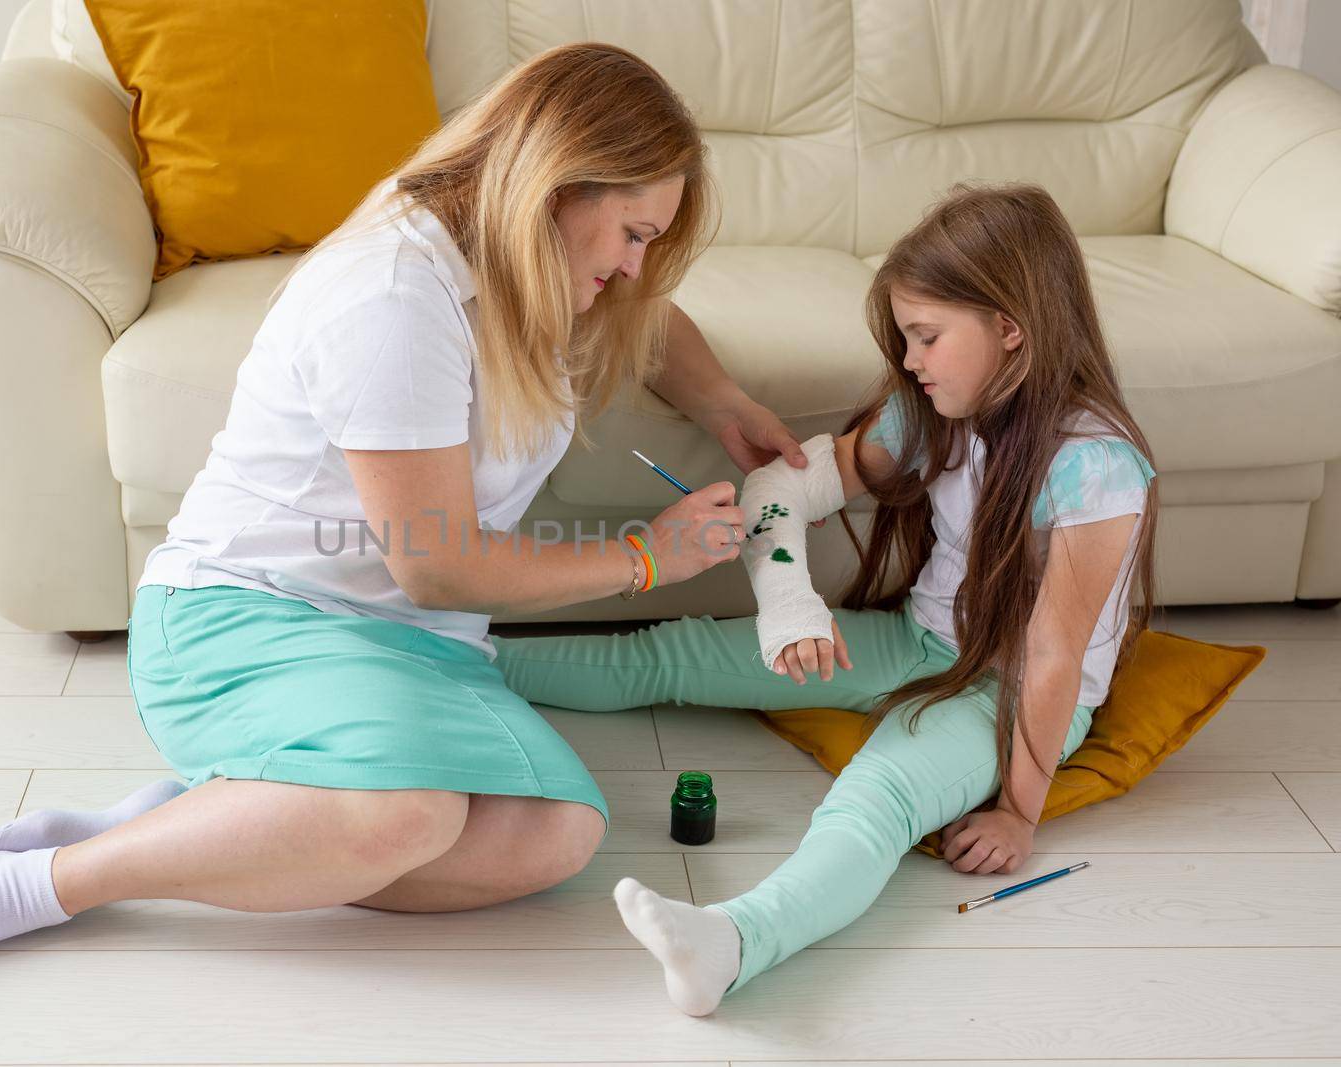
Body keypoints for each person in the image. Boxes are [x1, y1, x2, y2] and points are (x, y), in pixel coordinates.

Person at [0, 43, 811, 980]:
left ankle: (203, 819)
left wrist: (722, 401)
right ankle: (38, 885)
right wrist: (643, 559)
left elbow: (645, 319)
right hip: (250, 616)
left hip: (412, 642)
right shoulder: (399, 293)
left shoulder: (534, 259)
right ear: (557, 186)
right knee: (405, 817)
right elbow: (439, 563)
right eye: (632, 233)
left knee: (557, 835)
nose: (636, 265)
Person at [491, 182, 1160, 1016]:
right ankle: (465, 657)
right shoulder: (933, 415)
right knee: (673, 653)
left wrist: (1021, 814)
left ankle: (733, 943)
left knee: (875, 798)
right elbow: (780, 486)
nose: (910, 360)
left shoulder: (1094, 467)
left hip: (1013, 690)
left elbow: (1056, 655)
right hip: (923, 643)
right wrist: (790, 607)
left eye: (926, 336)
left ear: (1010, 330)